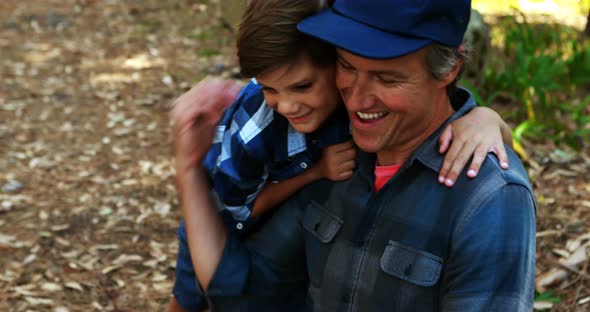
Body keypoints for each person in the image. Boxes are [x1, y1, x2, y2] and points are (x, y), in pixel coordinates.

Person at [170, 0, 533, 311]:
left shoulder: (488, 201)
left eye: (387, 79)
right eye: (346, 66)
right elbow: (242, 292)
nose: (357, 101)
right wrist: (189, 169)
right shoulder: (334, 149)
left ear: (449, 68)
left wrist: (487, 118)